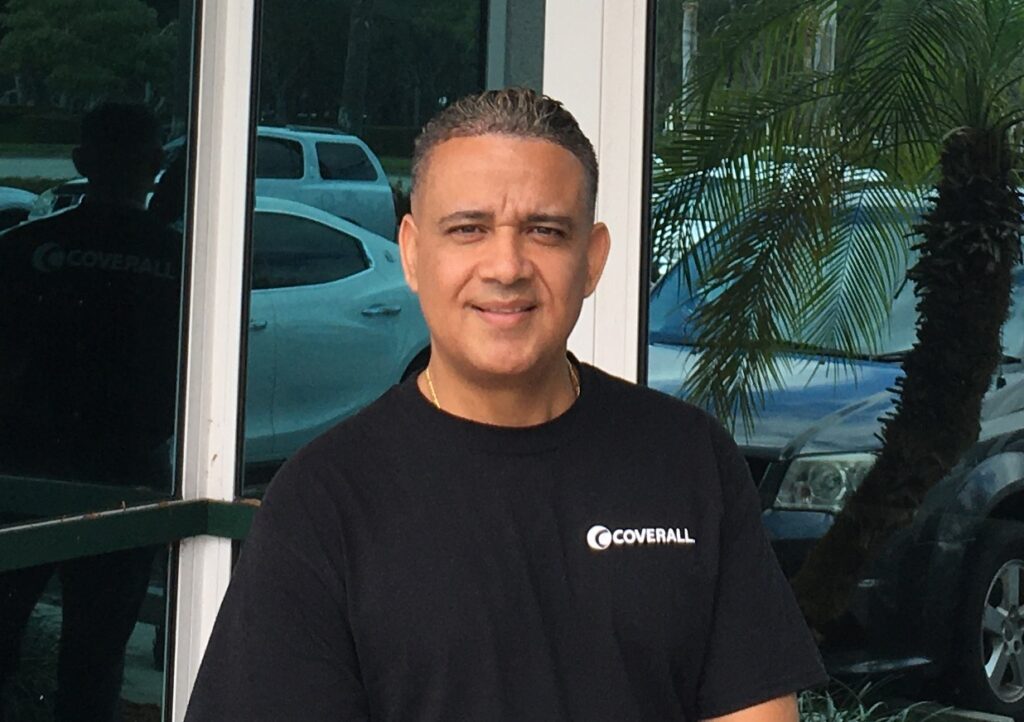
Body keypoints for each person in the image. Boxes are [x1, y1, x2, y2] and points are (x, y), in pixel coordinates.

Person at [185, 88, 827, 721]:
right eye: (468, 229)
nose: (507, 266)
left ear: (592, 259)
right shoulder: (325, 501)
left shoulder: (688, 460)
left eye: (544, 231)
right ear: (412, 253)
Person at [0, 101, 181, 721]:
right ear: (155, 165)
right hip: (124, 480)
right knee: (95, 660)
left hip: (23, 474)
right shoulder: (183, 265)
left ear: (81, 161)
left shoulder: (24, 249)